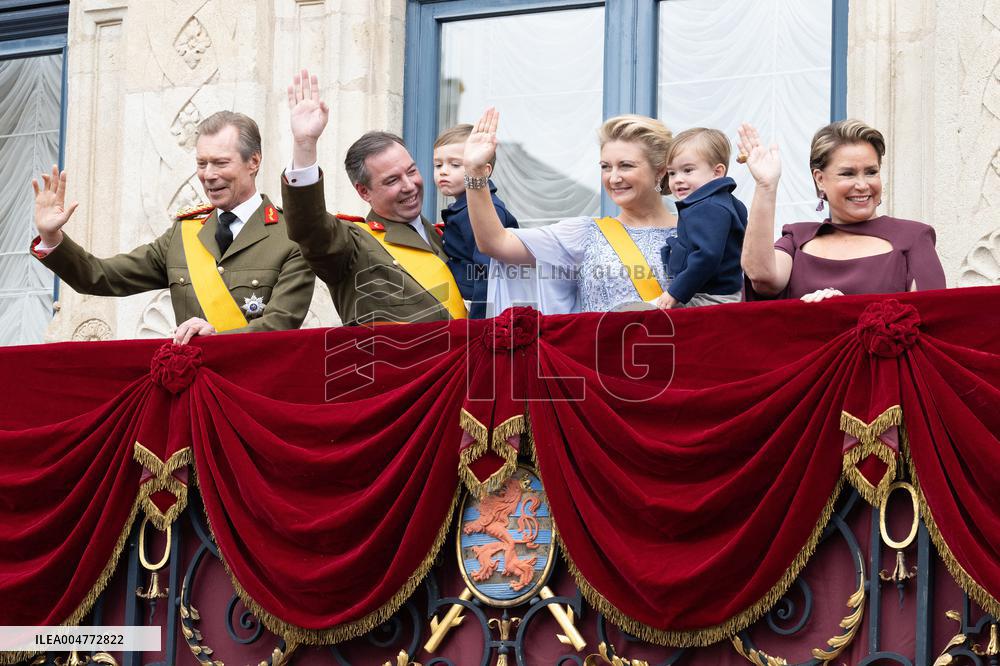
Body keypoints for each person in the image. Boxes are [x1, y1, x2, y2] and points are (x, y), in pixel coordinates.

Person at [30, 112, 315, 343]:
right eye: (202, 163)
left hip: (254, 395)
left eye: (220, 163)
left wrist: (215, 339)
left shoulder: (291, 236)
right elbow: (100, 276)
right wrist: (51, 237)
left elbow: (281, 324)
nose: (208, 175)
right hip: (193, 395)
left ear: (253, 161)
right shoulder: (185, 234)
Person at [281, 69, 466, 325]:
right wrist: (304, 146)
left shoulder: (446, 236)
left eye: (411, 171)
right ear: (363, 191)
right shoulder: (354, 245)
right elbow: (309, 227)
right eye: (392, 180)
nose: (409, 185)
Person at [463, 108, 677, 314]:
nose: (613, 178)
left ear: (659, 171)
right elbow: (495, 242)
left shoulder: (692, 233)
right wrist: (475, 171)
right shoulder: (585, 234)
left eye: (626, 166)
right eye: (605, 167)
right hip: (599, 351)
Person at [738, 120, 946, 301]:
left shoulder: (914, 237)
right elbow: (761, 276)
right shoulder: (797, 238)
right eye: (848, 174)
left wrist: (844, 310)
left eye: (871, 172)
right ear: (820, 179)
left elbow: (931, 319)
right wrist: (766, 186)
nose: (863, 184)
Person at [654, 127, 747, 309]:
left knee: (654, 319)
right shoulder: (726, 202)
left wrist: (676, 291)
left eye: (688, 170)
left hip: (708, 298)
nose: (677, 179)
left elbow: (707, 255)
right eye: (672, 173)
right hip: (724, 295)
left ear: (717, 172)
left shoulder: (707, 207)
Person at [433, 123, 519, 319]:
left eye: (455, 165)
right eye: (438, 165)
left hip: (479, 309)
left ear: (484, 170)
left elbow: (487, 270)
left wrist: (479, 321)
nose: (443, 171)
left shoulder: (481, 211)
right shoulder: (462, 208)